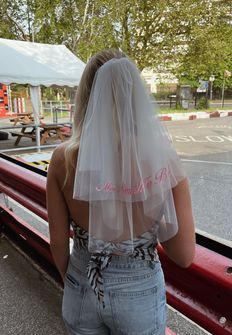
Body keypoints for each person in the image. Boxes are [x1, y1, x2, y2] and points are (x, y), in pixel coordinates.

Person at [46, 49, 195, 335]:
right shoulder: (164, 161)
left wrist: (75, 282)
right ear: (135, 97)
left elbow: (57, 241)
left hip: (82, 280)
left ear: (85, 96)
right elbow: (184, 255)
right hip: (138, 289)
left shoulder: (62, 159)